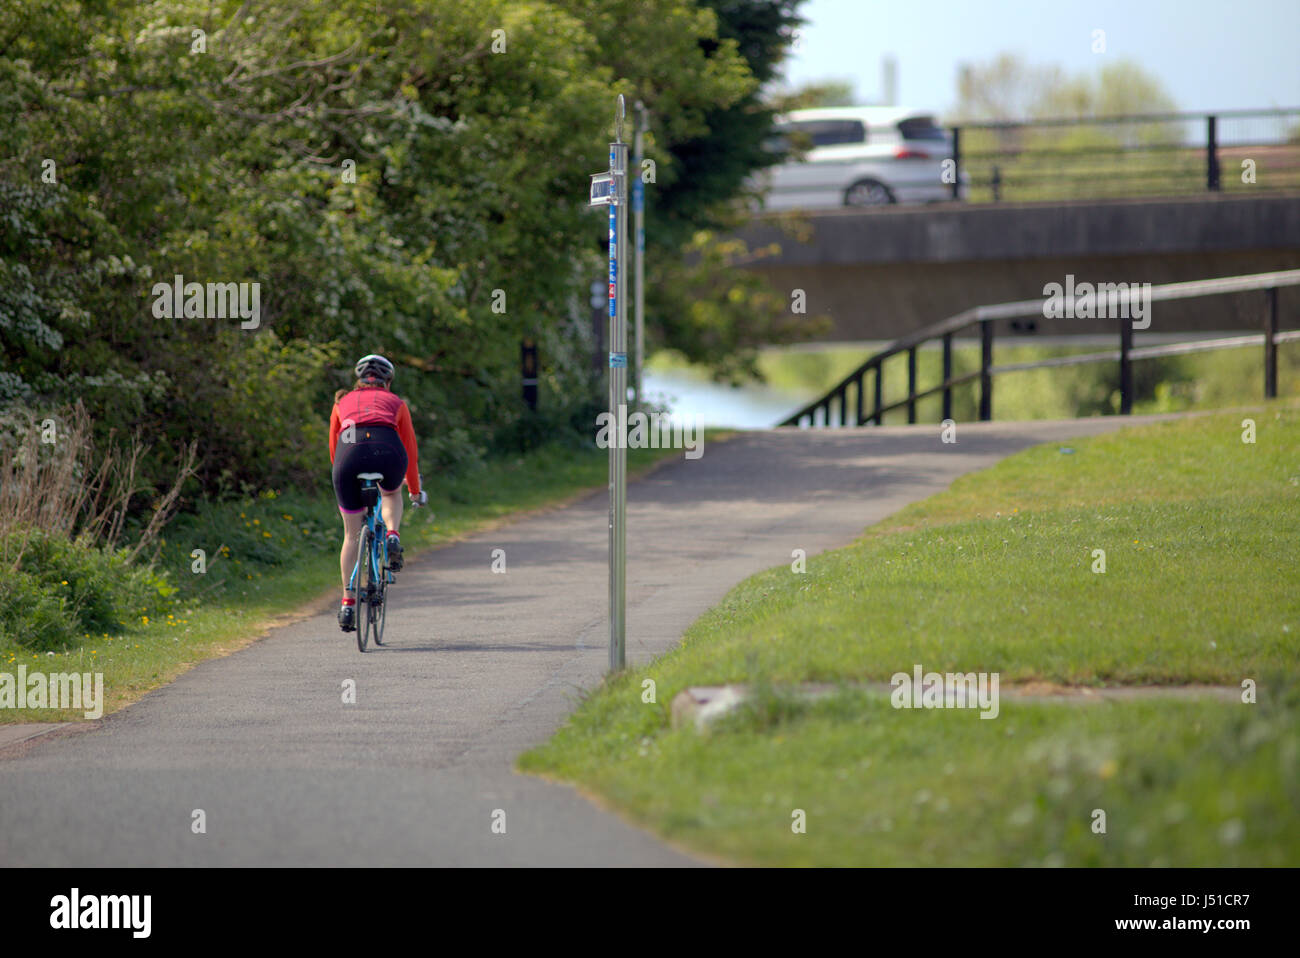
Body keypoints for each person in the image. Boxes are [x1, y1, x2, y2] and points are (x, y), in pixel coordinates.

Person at [328, 354, 427, 632]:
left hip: (348, 456)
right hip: (388, 450)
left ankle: (348, 604)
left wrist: (343, 475)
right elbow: (410, 451)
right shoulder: (396, 403)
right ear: (388, 381)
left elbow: (334, 449)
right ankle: (393, 535)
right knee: (391, 494)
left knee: (350, 534)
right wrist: (416, 491)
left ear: (358, 380)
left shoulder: (341, 402)